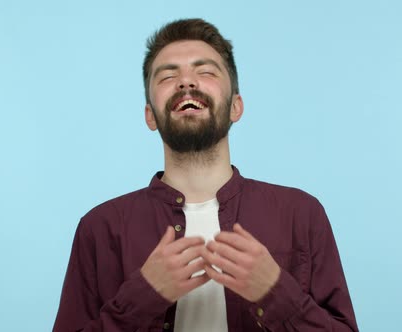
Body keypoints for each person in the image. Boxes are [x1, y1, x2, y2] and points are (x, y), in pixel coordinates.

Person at [53, 18, 358, 332]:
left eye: (206, 71)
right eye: (168, 75)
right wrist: (144, 296)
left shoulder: (301, 215)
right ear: (150, 116)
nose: (186, 82)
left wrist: (275, 292)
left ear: (235, 108)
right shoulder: (100, 228)